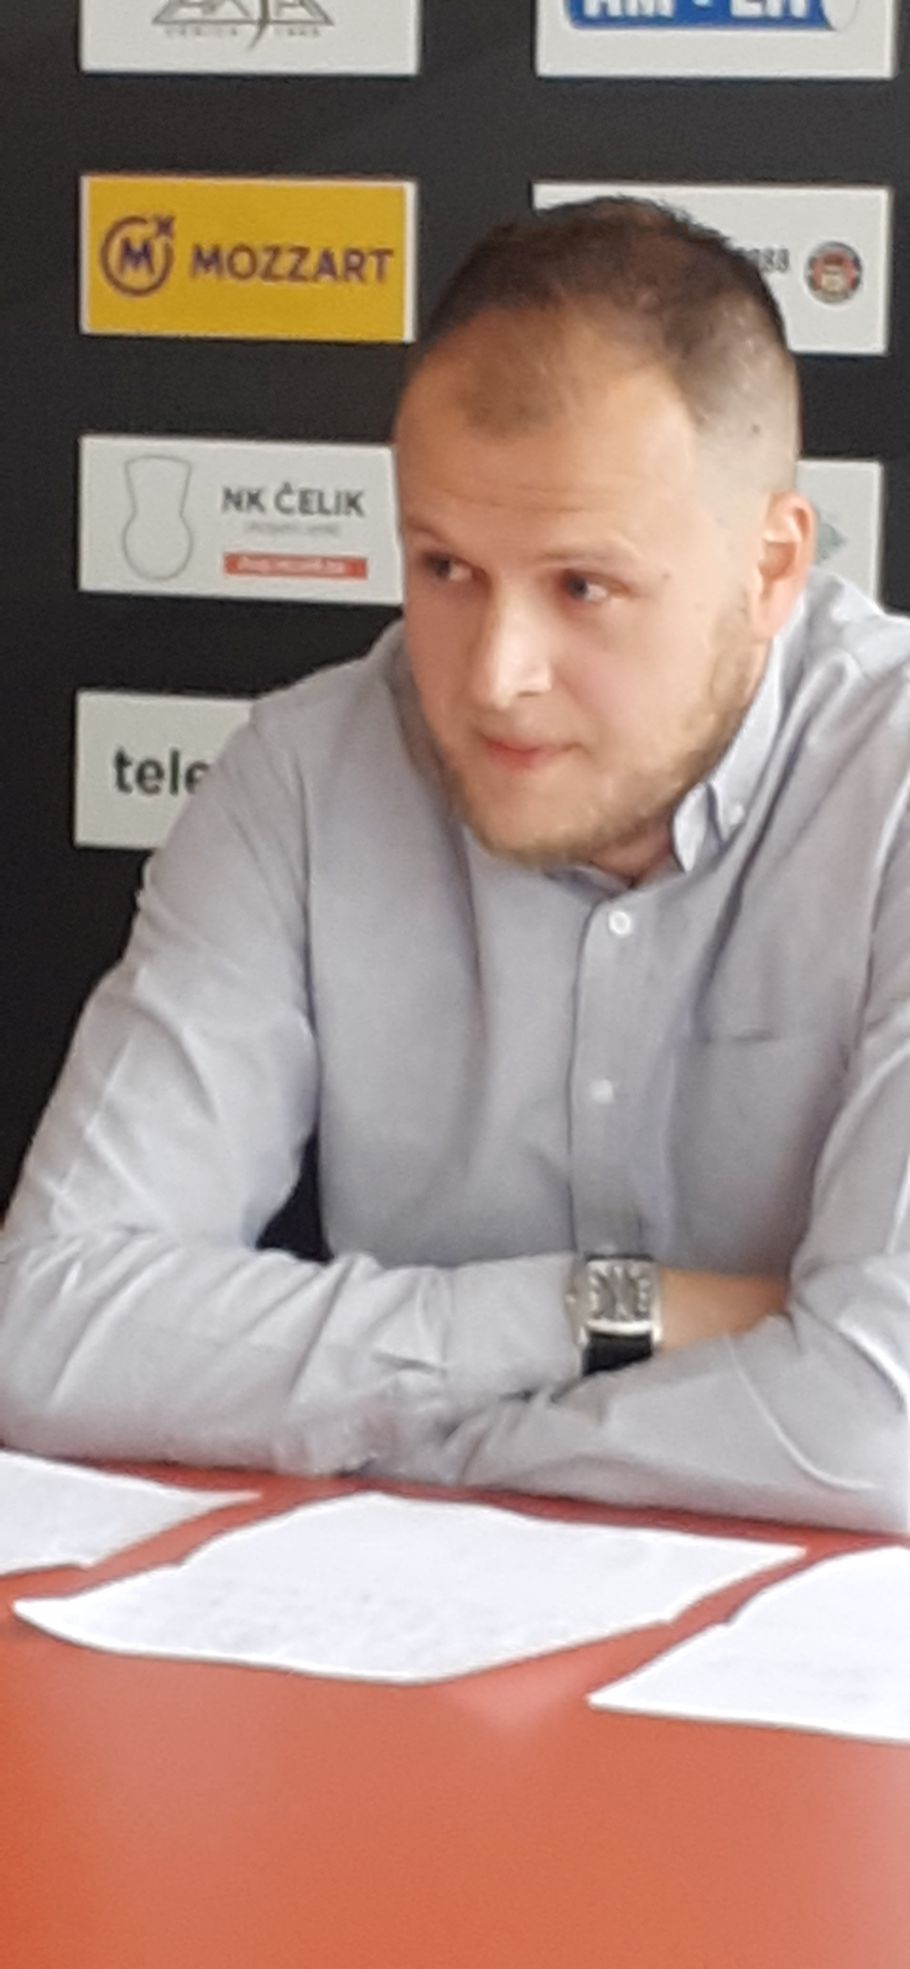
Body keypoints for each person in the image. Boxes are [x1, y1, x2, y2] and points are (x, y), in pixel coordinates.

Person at [1, 196, 909, 1532]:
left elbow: (878, 1427)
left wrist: (423, 1439)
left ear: (770, 567)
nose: (493, 676)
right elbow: (48, 1324)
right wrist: (598, 1312)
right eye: (444, 567)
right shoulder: (303, 777)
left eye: (582, 586)